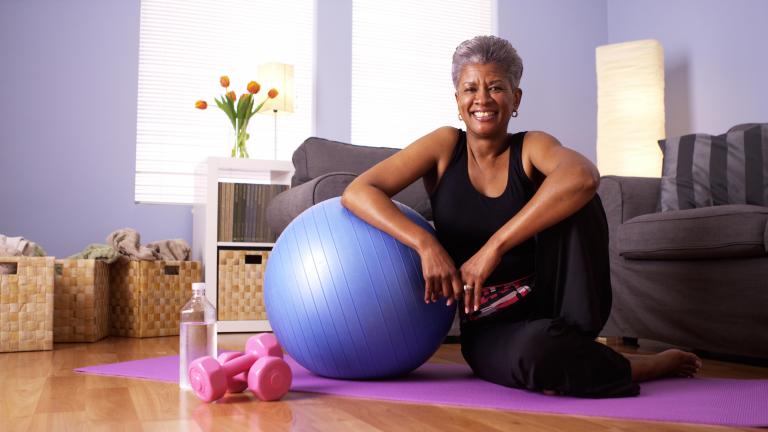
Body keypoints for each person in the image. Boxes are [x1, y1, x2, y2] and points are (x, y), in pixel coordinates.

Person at [341, 35, 702, 398]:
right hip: (490, 325)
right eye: (470, 88)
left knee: (577, 195)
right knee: (536, 356)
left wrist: (493, 248)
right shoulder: (443, 146)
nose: (482, 99)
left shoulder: (530, 147)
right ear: (457, 101)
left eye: (496, 87)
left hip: (561, 305)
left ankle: (587, 350)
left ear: (516, 99)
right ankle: (632, 365)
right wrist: (426, 244)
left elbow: (584, 176)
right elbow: (359, 191)